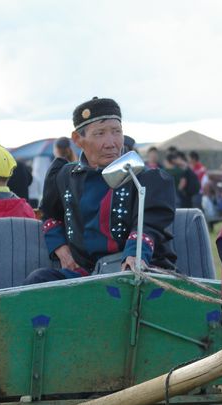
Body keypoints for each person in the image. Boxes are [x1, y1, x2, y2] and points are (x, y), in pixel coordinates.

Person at [26, 97, 176, 284]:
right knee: (38, 279)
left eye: (116, 132)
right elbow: (49, 214)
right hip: (86, 274)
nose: (111, 142)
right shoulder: (64, 176)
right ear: (78, 139)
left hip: (135, 271)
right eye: (100, 134)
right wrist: (61, 248)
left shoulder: (144, 177)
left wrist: (134, 256)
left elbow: (149, 223)